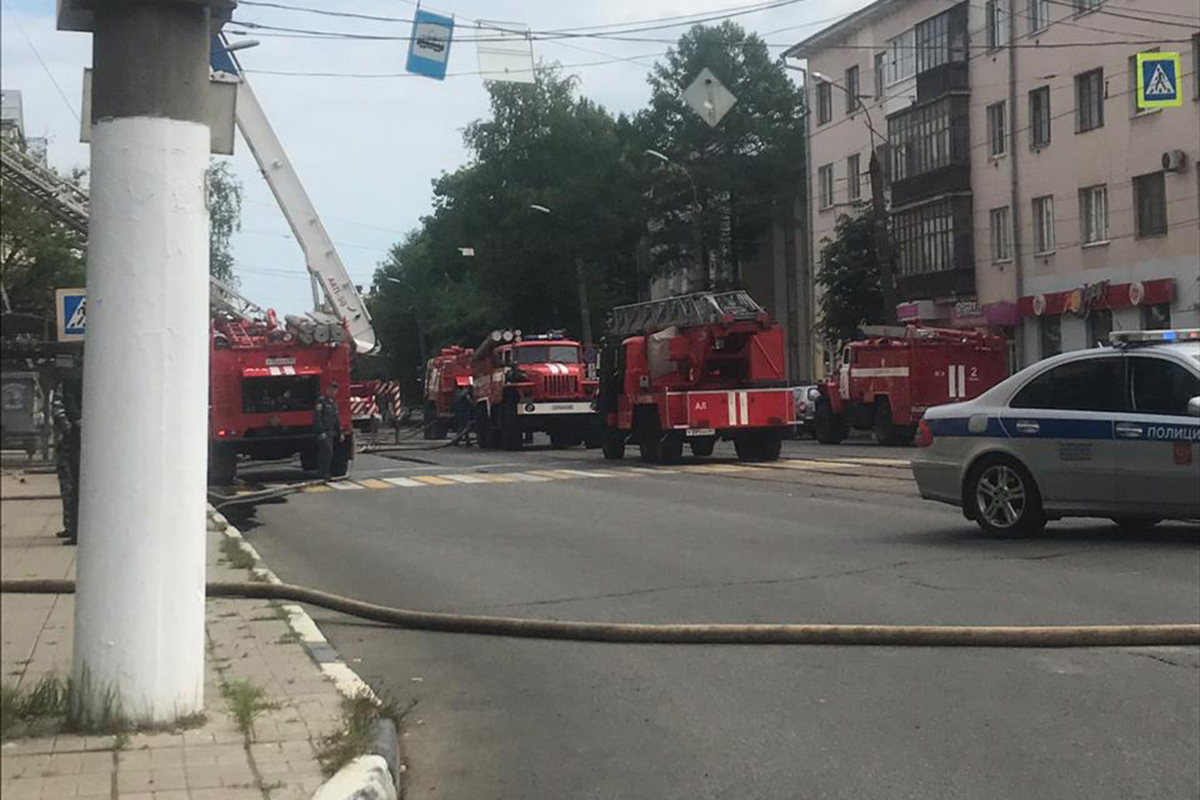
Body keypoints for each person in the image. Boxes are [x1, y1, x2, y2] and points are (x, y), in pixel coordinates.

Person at [51, 368, 83, 545]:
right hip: (71, 441)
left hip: (70, 441)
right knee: (70, 484)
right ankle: (71, 525)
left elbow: (59, 410)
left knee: (70, 484)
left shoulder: (69, 381)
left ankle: (73, 526)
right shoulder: (71, 381)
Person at [313, 381, 343, 480]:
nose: (333, 392)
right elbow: (318, 418)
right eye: (331, 389)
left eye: (335, 390)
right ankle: (322, 472)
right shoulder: (321, 401)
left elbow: (336, 419)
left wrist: (340, 432)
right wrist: (321, 432)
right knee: (326, 452)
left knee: (329, 453)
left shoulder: (333, 403)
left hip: (331, 432)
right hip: (324, 432)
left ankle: (326, 472)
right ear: (327, 390)